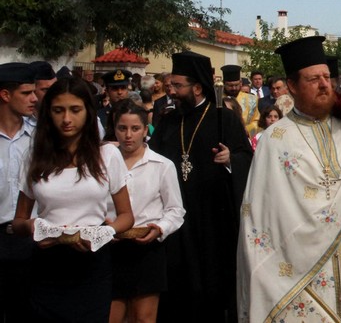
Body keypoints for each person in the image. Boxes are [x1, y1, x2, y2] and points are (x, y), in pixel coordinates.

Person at [237, 36, 341, 322]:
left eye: (327, 77)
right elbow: (261, 218)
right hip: (299, 262)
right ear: (292, 86)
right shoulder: (275, 139)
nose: (325, 85)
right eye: (313, 79)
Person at [12, 77, 134, 323]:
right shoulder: (35, 156)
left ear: (88, 112)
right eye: (58, 111)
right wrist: (32, 228)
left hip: (92, 263)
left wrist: (103, 233)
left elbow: (126, 216)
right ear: (49, 114)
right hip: (47, 264)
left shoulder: (107, 155)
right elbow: (18, 221)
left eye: (75, 110)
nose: (66, 119)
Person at [149, 51, 252, 322]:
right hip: (176, 220)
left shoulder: (224, 119)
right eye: (170, 85)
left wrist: (230, 159)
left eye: (178, 86)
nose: (171, 91)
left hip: (212, 220)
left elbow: (246, 158)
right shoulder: (169, 121)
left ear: (197, 87)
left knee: (211, 289)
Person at [109, 99, 185, 323]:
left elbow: (175, 209)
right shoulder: (103, 164)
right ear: (114, 129)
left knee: (144, 317)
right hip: (111, 247)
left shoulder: (162, 165)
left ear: (145, 130)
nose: (128, 135)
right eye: (122, 128)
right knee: (112, 315)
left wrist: (160, 228)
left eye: (135, 129)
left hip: (147, 249)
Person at [0, 63, 38, 322]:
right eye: (26, 93)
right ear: (5, 95)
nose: (34, 98)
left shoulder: (40, 137)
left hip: (32, 240)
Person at [220, 65, 260, 138]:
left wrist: (247, 130)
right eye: (230, 85)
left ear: (241, 82)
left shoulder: (252, 99)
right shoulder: (217, 99)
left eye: (236, 85)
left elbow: (257, 121)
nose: (234, 88)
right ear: (224, 84)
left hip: (244, 139)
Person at [99, 69, 132, 140]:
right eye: (115, 89)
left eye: (123, 88)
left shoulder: (137, 113)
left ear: (127, 90)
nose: (120, 92)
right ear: (107, 92)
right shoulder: (99, 116)